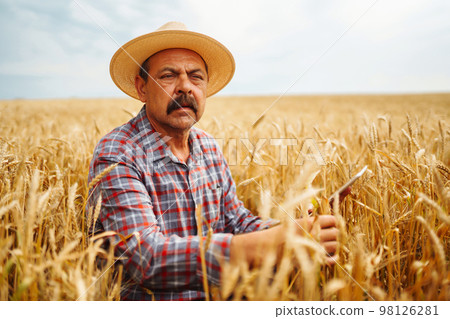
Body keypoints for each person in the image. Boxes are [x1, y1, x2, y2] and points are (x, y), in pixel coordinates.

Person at [86, 22, 340, 301]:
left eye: (196, 77)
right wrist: (269, 245)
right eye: (168, 75)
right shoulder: (117, 153)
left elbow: (236, 222)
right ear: (142, 88)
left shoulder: (207, 146)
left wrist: (299, 229)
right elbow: (147, 259)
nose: (185, 87)